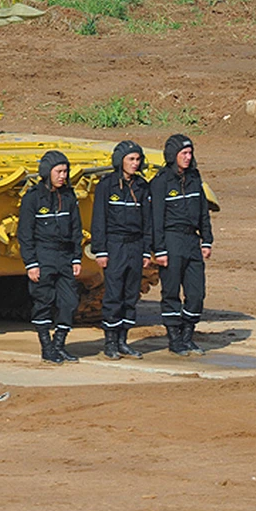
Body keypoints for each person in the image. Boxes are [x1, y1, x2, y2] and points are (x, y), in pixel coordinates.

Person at [150, 134, 214, 356]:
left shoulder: (195, 178)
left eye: (190, 153)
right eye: (183, 153)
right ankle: (174, 339)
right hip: (170, 240)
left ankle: (188, 335)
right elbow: (155, 219)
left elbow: (203, 212)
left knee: (196, 293)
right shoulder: (160, 183)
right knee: (171, 292)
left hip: (191, 240)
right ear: (172, 155)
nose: (188, 157)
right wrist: (159, 249)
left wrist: (207, 240)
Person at [18, 150, 83, 364]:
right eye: (59, 171)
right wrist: (31, 263)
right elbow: (25, 233)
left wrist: (76, 257)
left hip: (65, 255)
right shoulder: (33, 198)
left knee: (70, 302)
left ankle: (59, 344)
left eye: (65, 171)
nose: (63, 176)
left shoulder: (68, 196)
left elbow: (76, 228)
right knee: (43, 301)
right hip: (43, 254)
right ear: (47, 172)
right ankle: (47, 347)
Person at [90, 141, 152, 361]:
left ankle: (123, 341)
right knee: (114, 295)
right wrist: (100, 251)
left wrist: (146, 251)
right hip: (115, 245)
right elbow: (99, 220)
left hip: (135, 246)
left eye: (137, 159)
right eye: (131, 159)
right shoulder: (107, 186)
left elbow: (148, 222)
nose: (135, 164)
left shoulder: (142, 187)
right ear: (120, 161)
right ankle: (110, 342)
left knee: (130, 295)